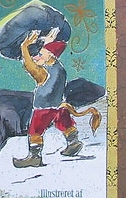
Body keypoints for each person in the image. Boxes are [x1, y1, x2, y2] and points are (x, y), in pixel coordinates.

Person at [13, 27, 87, 168]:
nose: (36, 57)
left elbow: (29, 66)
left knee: (35, 131)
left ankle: (35, 157)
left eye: (40, 54)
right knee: (64, 123)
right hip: (58, 105)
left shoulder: (45, 72)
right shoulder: (60, 69)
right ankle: (73, 143)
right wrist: (49, 39)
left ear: (51, 55)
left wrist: (24, 47)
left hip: (44, 107)